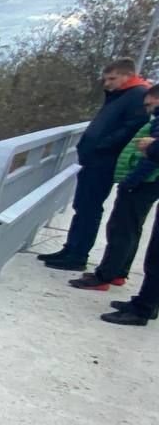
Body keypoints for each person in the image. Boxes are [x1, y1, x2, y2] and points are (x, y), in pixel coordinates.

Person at [40, 59, 151, 272]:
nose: (106, 83)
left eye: (112, 78)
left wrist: (101, 146)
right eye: (106, 79)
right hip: (95, 159)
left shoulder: (137, 95)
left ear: (127, 76)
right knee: (82, 205)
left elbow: (130, 128)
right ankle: (70, 249)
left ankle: (78, 255)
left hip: (104, 160)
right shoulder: (120, 95)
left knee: (90, 206)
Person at [68, 86, 159, 291]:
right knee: (131, 228)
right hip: (146, 183)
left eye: (149, 104)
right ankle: (118, 273)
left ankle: (104, 276)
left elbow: (151, 159)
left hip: (142, 183)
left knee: (120, 229)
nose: (147, 109)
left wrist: (130, 181)